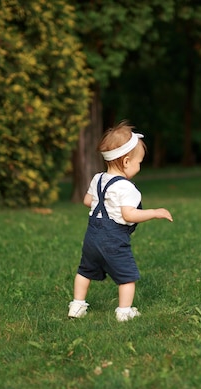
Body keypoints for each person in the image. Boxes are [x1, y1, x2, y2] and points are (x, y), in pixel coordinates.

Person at [68, 121, 173, 322]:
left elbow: (87, 201)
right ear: (126, 162)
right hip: (113, 240)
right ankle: (124, 311)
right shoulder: (126, 187)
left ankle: (77, 305)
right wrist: (154, 212)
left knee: (84, 271)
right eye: (139, 162)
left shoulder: (98, 178)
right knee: (127, 277)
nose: (139, 166)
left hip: (92, 237)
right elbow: (129, 215)